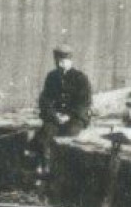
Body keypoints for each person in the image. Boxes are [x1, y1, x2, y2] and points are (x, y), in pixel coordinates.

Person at [33, 45, 93, 173]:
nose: (60, 65)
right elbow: (45, 99)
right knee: (45, 133)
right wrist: (54, 115)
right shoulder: (52, 77)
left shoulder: (80, 78)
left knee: (70, 132)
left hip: (74, 117)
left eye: (63, 61)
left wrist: (69, 115)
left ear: (70, 61)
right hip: (56, 117)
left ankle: (58, 166)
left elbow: (84, 102)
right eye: (57, 62)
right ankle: (43, 165)